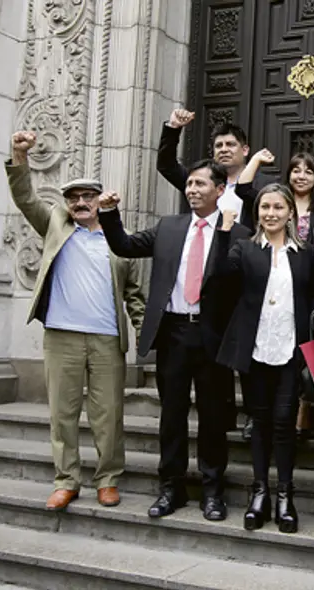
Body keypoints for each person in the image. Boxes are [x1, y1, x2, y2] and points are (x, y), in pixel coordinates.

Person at [97, 160, 251, 522]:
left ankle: (213, 491)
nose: (192, 190)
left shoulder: (239, 234)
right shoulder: (169, 227)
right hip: (175, 333)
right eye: (190, 184)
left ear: (219, 190)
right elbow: (124, 245)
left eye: (200, 184)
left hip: (213, 336)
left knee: (214, 417)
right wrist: (109, 212)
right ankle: (171, 487)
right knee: (172, 415)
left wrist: (227, 232)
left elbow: (233, 281)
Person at [5, 131, 145, 512]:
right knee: (62, 414)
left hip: (106, 340)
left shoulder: (119, 241)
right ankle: (66, 480)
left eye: (87, 197)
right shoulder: (55, 227)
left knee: (108, 416)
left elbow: (134, 294)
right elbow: (24, 198)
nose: (80, 203)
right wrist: (19, 155)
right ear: (65, 204)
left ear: (100, 201)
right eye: (73, 198)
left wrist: (148, 334)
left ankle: (108, 480)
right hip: (62, 337)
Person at [213, 183, 314, 534]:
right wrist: (224, 232)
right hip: (255, 348)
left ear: (290, 211)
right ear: (257, 212)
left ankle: (284, 496)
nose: (271, 214)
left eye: (278, 207)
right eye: (265, 208)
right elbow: (218, 279)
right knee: (259, 423)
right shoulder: (244, 248)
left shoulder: (304, 252)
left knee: (283, 423)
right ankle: (259, 492)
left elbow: (311, 297)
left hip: (291, 349)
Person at [157, 108, 263, 440]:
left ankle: (253, 414)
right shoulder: (200, 182)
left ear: (245, 149)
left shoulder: (260, 187)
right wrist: (173, 130)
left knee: (245, 348)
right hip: (207, 289)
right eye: (218, 145)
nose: (223, 149)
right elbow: (165, 165)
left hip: (243, 280)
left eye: (231, 144)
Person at [235, 150, 314, 441]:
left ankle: (300, 415)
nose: (301, 176)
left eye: (308, 171)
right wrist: (257, 161)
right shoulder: (273, 202)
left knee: (301, 356)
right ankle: (259, 416)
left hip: (309, 279)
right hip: (272, 279)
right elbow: (244, 189)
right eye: (296, 170)